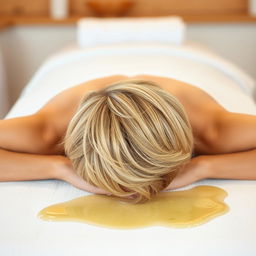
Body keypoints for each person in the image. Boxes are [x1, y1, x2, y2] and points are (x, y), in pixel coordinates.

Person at [1, 74, 256, 203]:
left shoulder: (214, 132)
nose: (132, 195)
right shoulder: (45, 134)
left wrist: (202, 167)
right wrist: (60, 168)